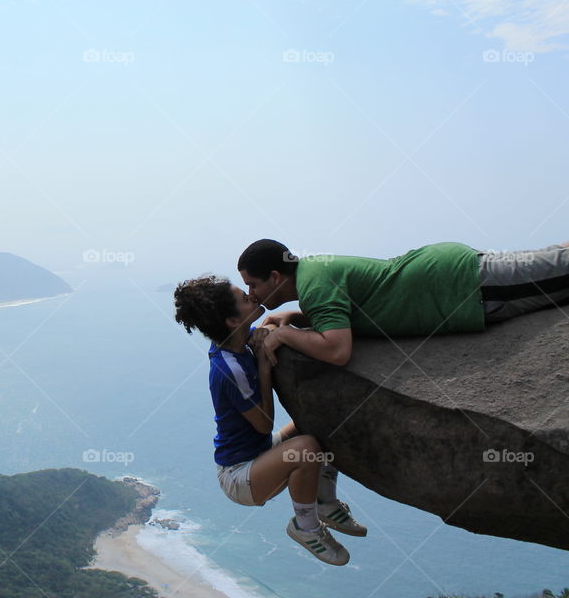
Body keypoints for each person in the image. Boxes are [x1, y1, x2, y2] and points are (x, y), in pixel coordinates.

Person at [173, 275, 366, 566]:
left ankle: (325, 503)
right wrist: (264, 368)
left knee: (318, 424)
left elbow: (275, 320)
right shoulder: (229, 368)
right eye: (243, 298)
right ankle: (305, 526)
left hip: (259, 455)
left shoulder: (238, 341)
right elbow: (263, 424)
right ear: (231, 320)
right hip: (240, 476)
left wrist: (268, 330)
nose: (252, 296)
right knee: (307, 448)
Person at [236, 239, 569, 366]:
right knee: (557, 259)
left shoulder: (315, 285)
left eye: (252, 284)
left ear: (276, 277)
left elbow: (337, 351)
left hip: (465, 287)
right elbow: (346, 306)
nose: (250, 294)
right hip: (455, 272)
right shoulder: (313, 273)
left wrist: (283, 335)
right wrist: (296, 318)